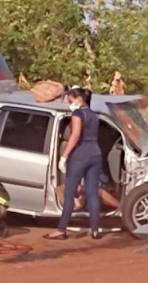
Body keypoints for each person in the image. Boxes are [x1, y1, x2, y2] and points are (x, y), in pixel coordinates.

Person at [44, 88, 102, 240]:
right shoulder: (94, 115)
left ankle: (61, 230)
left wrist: (64, 156)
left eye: (70, 100)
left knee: (69, 194)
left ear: (79, 99)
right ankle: (95, 230)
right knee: (92, 193)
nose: (69, 103)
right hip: (95, 154)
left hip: (80, 156)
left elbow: (75, 135)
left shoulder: (78, 114)